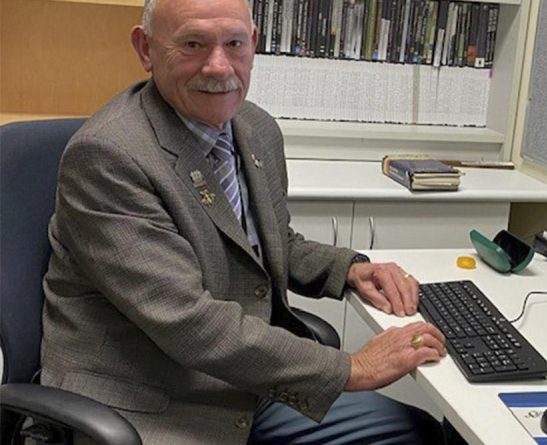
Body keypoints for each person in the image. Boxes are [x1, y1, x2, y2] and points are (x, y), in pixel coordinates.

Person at [40, 0, 448, 443]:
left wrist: (347, 269)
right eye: (193, 44)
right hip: (147, 401)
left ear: (253, 44)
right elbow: (188, 321)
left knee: (417, 433)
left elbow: (266, 240)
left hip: (240, 381)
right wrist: (352, 367)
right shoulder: (109, 156)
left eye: (234, 43)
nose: (218, 66)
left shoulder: (254, 128)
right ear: (146, 48)